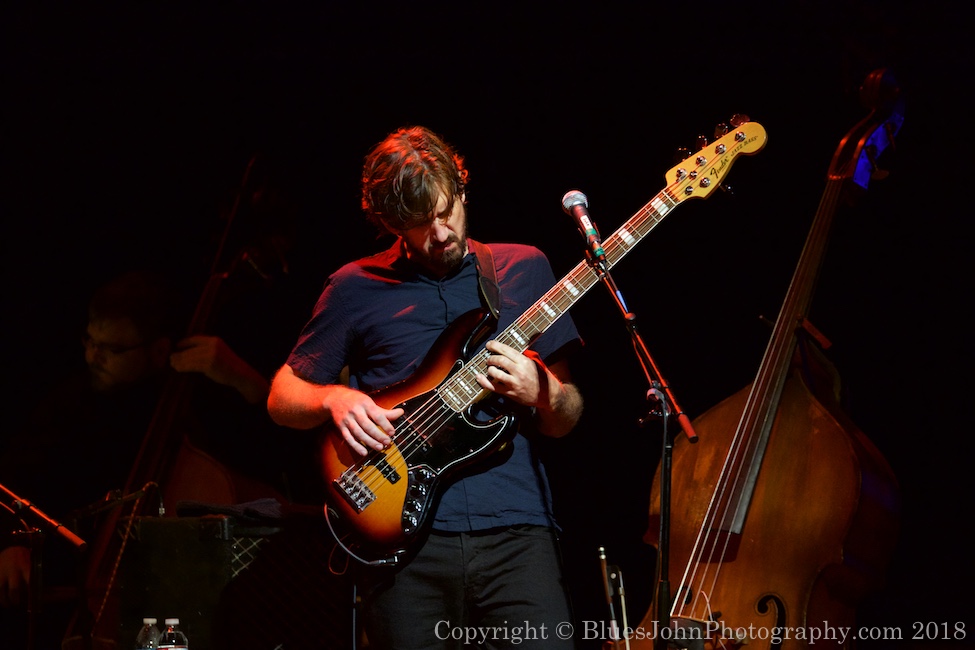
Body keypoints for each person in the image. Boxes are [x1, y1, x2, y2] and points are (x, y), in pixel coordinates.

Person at [267, 125, 585, 649]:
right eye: (419, 224)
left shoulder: (524, 268)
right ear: (390, 223)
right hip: (402, 544)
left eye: (446, 211)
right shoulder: (353, 286)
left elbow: (566, 418)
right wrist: (333, 398)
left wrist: (543, 390)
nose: (440, 234)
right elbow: (282, 397)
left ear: (461, 188)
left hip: (515, 535)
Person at [0, 268, 291, 648]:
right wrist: (13, 540)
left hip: (180, 610)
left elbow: (280, 452)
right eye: (90, 340)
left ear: (157, 350)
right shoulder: (73, 400)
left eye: (112, 349)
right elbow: (19, 471)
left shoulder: (198, 400)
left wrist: (242, 379)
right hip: (73, 592)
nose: (93, 356)